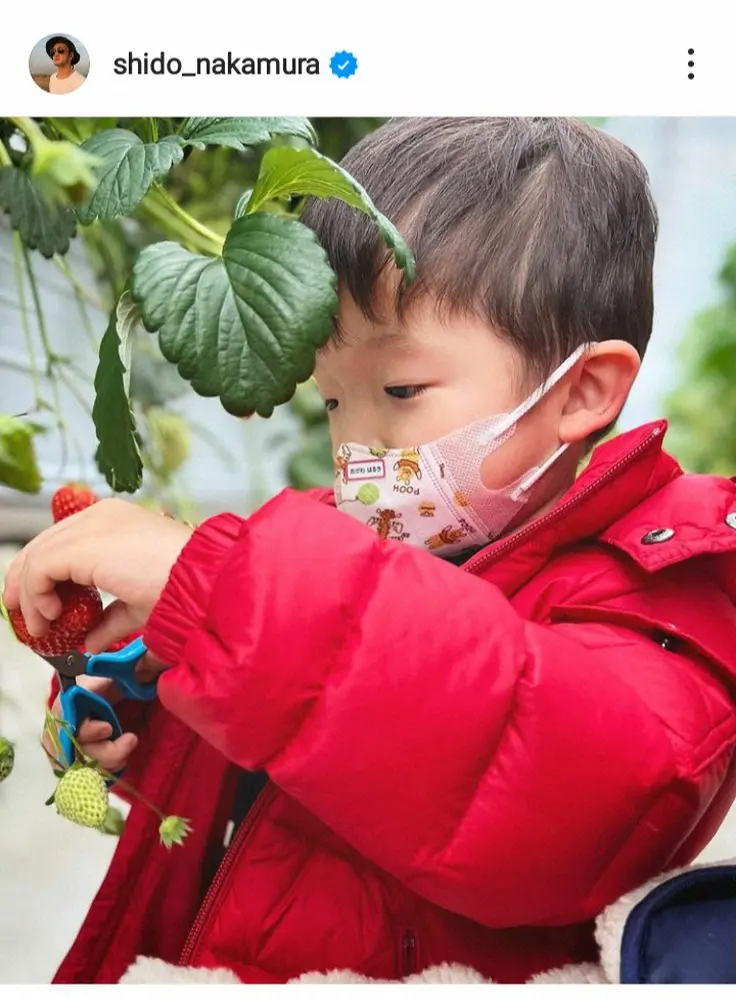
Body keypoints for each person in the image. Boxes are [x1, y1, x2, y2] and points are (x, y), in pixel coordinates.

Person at [4, 117, 736, 986]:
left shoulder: (668, 583)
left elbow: (557, 789)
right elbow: (298, 749)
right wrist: (142, 707)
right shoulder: (332, 544)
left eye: (400, 389)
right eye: (334, 402)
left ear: (581, 389)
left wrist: (224, 593)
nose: (359, 449)